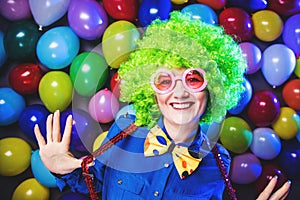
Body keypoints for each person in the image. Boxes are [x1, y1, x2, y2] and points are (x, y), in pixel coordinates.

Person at [34, 11, 291, 199]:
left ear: (213, 87)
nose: (179, 92)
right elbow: (95, 184)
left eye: (193, 79)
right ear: (152, 91)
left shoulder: (218, 163)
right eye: (165, 80)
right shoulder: (124, 132)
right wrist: (62, 168)